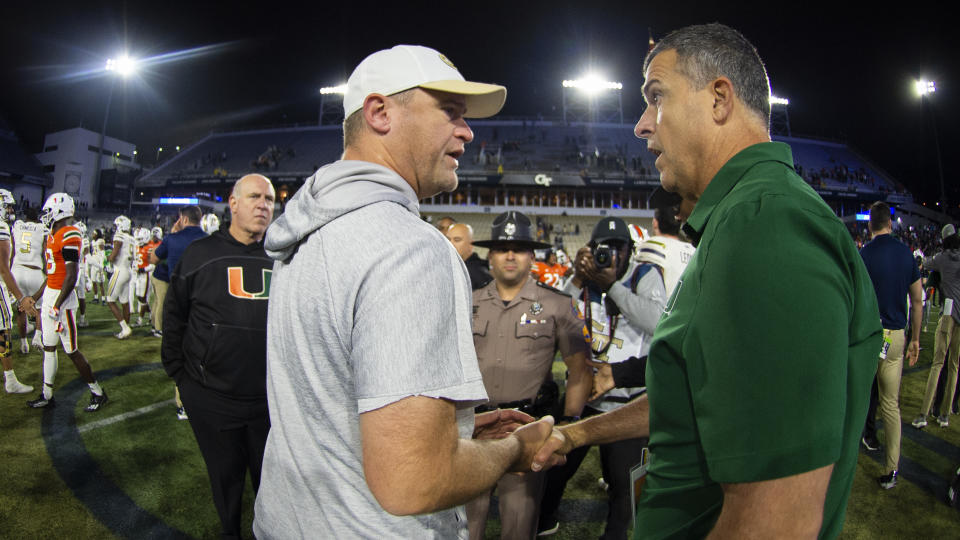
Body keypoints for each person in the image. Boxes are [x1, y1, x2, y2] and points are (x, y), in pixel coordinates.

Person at [531, 23, 881, 539]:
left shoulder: (765, 224)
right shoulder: (741, 219)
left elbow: (777, 521)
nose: (641, 126)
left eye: (656, 97)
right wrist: (575, 433)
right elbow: (696, 399)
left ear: (719, 99)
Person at [254, 44, 556, 538]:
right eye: (450, 111)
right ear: (380, 113)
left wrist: (453, 435)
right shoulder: (410, 248)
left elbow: (331, 406)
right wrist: (515, 450)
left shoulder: (308, 230)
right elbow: (412, 484)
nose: (467, 131)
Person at [162, 174, 276, 539]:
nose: (263, 205)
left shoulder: (282, 255)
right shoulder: (200, 252)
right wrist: (180, 376)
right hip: (212, 398)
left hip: (269, 402)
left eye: (270, 199)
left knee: (272, 489)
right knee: (225, 484)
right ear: (234, 203)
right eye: (255, 196)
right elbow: (174, 315)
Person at [466, 211, 593, 540]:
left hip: (527, 430)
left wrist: (566, 425)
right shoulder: (467, 303)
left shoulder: (558, 306)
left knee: (519, 529)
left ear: (531, 256)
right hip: (473, 432)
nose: (510, 255)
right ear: (490, 255)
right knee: (464, 529)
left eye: (520, 248)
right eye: (502, 248)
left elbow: (580, 371)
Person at [537, 216, 665, 539]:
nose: (611, 254)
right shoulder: (586, 277)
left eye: (618, 247)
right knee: (553, 466)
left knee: (625, 483)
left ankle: (616, 533)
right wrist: (579, 279)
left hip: (628, 398)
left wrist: (611, 286)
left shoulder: (645, 274)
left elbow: (655, 322)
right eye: (601, 248)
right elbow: (557, 316)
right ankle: (546, 518)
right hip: (586, 391)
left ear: (629, 250)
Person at [857, 202, 923, 489]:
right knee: (890, 406)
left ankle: (842, 465)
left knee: (858, 399)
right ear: (891, 224)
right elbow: (918, 300)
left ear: (870, 225)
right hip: (894, 336)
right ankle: (892, 468)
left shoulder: (863, 254)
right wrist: (917, 338)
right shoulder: (905, 254)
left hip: (869, 335)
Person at [23, 193, 108, 411]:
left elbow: (71, 276)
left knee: (71, 350)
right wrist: (36, 297)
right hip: (53, 295)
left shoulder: (70, 233)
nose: (46, 215)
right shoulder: (53, 235)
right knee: (49, 348)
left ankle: (98, 392)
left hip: (63, 301)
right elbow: (52, 277)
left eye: (49, 211)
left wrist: (57, 304)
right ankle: (47, 394)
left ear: (60, 211)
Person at [912, 224, 960, 429]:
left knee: (937, 364)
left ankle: (923, 414)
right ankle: (945, 415)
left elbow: (925, 263)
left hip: (948, 315)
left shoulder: (942, 258)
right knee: (954, 366)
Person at [0, 189, 33, 393]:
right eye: (8, 206)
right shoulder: (2, 227)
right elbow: (3, 268)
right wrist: (21, 297)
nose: (11, 210)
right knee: (3, 330)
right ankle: (10, 379)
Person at [11, 206, 46, 352]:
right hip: (34, 271)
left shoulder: (17, 225)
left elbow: (13, 250)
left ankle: (24, 343)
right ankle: (37, 336)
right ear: (37, 217)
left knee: (20, 309)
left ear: (25, 216)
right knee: (40, 308)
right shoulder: (42, 228)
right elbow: (45, 252)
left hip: (17, 269)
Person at [105, 215, 136, 339]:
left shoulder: (119, 236)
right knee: (124, 302)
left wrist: (108, 258)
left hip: (120, 270)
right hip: (128, 270)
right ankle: (126, 328)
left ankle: (125, 328)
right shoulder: (132, 239)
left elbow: (113, 256)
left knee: (110, 300)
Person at [444, 222, 492, 289]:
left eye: (457, 240)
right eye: (448, 240)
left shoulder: (480, 275)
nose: (450, 244)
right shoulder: (446, 268)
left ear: (471, 245)